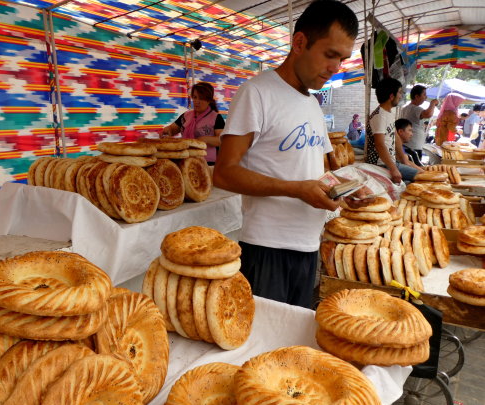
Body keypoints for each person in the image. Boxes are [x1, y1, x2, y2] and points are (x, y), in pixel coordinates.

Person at [213, 0, 359, 308]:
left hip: (308, 245)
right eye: (330, 55)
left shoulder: (312, 105)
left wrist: (347, 188)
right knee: (265, 347)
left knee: (292, 348)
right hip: (266, 248)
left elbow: (312, 170)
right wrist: (295, 190)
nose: (335, 68)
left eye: (343, 59)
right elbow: (224, 172)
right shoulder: (257, 93)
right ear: (300, 42)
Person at [365, 77, 422, 184]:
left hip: (391, 162)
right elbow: (380, 144)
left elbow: (396, 138)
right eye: (399, 93)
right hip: (380, 164)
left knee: (422, 175)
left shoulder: (388, 113)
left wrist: (404, 160)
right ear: (391, 96)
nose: (401, 96)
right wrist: (394, 169)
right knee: (421, 177)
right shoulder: (379, 116)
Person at [161, 82, 225, 164]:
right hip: (185, 159)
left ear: (209, 100)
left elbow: (222, 140)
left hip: (207, 162)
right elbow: (173, 129)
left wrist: (204, 139)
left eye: (201, 98)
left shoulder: (216, 118)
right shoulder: (186, 115)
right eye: (194, 97)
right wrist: (167, 131)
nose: (196, 101)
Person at [399, 85, 438, 165]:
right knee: (415, 168)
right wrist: (433, 103)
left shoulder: (406, 108)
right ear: (417, 96)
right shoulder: (415, 108)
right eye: (424, 94)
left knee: (411, 165)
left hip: (411, 144)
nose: (426, 97)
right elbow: (428, 114)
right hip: (413, 146)